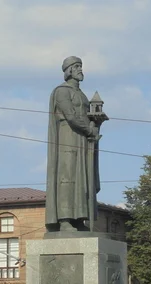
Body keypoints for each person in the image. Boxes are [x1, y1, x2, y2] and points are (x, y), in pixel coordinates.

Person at [45, 56, 104, 232]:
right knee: (67, 176)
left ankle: (79, 218)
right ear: (69, 70)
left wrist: (96, 123)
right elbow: (70, 116)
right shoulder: (61, 91)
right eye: (77, 66)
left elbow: (88, 116)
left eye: (81, 66)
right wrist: (89, 129)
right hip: (67, 138)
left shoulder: (83, 95)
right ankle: (64, 219)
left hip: (83, 140)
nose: (80, 70)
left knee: (82, 177)